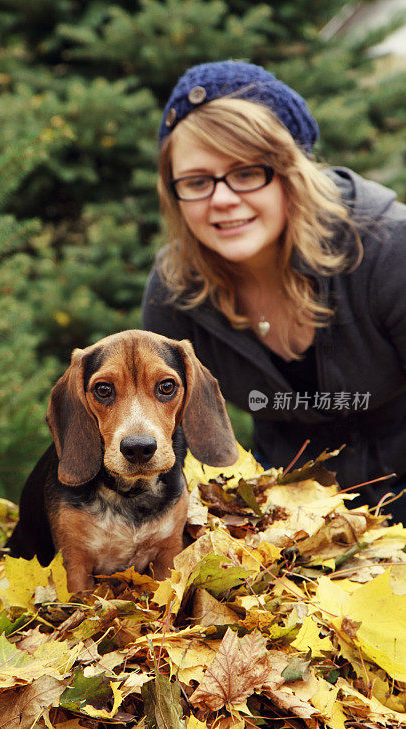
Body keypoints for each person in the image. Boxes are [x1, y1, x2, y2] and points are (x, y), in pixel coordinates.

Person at [142, 60, 406, 522]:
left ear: (291, 171)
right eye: (198, 182)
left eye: (246, 173)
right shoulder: (176, 293)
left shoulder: (389, 251)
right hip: (287, 524)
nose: (222, 198)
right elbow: (168, 447)